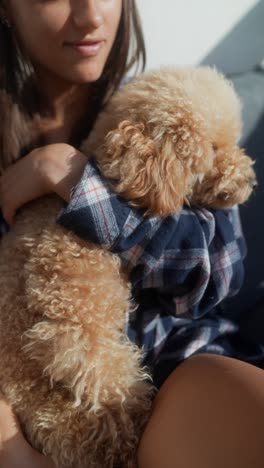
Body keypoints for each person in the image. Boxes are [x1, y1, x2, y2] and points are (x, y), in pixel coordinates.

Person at [0, 1, 264, 468]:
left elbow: (216, 276)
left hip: (181, 369)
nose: (89, 17)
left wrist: (73, 181)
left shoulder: (168, 105)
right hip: (52, 416)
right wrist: (14, 451)